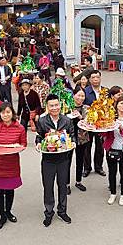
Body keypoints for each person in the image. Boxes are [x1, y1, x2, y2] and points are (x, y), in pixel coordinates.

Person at [0, 103, 27, 230]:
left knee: (10, 190)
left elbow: (23, 144)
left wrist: (16, 147)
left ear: (12, 113)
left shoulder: (20, 128)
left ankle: (8, 212)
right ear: (0, 114)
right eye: (3, 112)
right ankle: (2, 216)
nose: (6, 115)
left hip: (12, 163)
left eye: (8, 112)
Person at [36, 94, 75, 227]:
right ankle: (49, 212)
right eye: (51, 105)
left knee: (62, 186)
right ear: (47, 106)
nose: (54, 108)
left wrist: (73, 143)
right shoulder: (42, 121)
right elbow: (39, 137)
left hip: (64, 159)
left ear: (60, 105)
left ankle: (62, 211)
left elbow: (72, 136)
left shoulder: (67, 120)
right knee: (48, 187)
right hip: (48, 160)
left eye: (56, 105)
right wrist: (37, 144)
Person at [103, 96, 123, 206]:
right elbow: (103, 133)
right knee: (112, 172)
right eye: (121, 103)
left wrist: (122, 128)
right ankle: (112, 193)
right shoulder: (110, 117)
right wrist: (103, 126)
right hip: (111, 148)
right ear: (116, 105)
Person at [83, 70, 107, 177]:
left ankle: (99, 167)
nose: (95, 79)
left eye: (97, 77)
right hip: (89, 125)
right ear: (90, 79)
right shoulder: (85, 91)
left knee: (100, 146)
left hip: (101, 125)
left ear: (101, 78)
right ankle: (87, 168)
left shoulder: (106, 91)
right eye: (93, 78)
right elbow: (81, 105)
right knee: (87, 146)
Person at [68, 86, 90, 193]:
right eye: (78, 95)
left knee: (80, 160)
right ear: (73, 95)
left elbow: (89, 123)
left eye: (83, 96)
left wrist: (81, 117)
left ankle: (78, 181)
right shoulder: (67, 107)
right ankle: (66, 183)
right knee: (67, 161)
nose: (80, 98)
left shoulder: (87, 108)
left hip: (82, 138)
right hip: (68, 138)